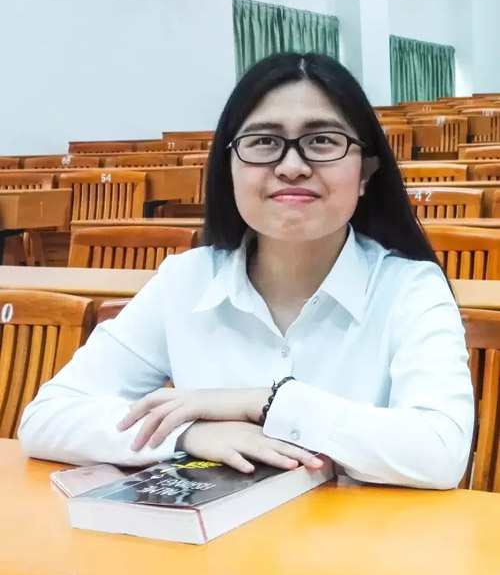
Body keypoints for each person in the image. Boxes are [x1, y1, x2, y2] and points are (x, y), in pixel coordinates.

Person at [19, 53, 474, 489]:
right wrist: (189, 433)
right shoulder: (185, 281)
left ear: (366, 171)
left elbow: (439, 452)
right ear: (229, 167)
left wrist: (264, 402)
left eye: (322, 141)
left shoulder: (410, 288)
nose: (292, 167)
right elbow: (47, 417)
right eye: (263, 142)